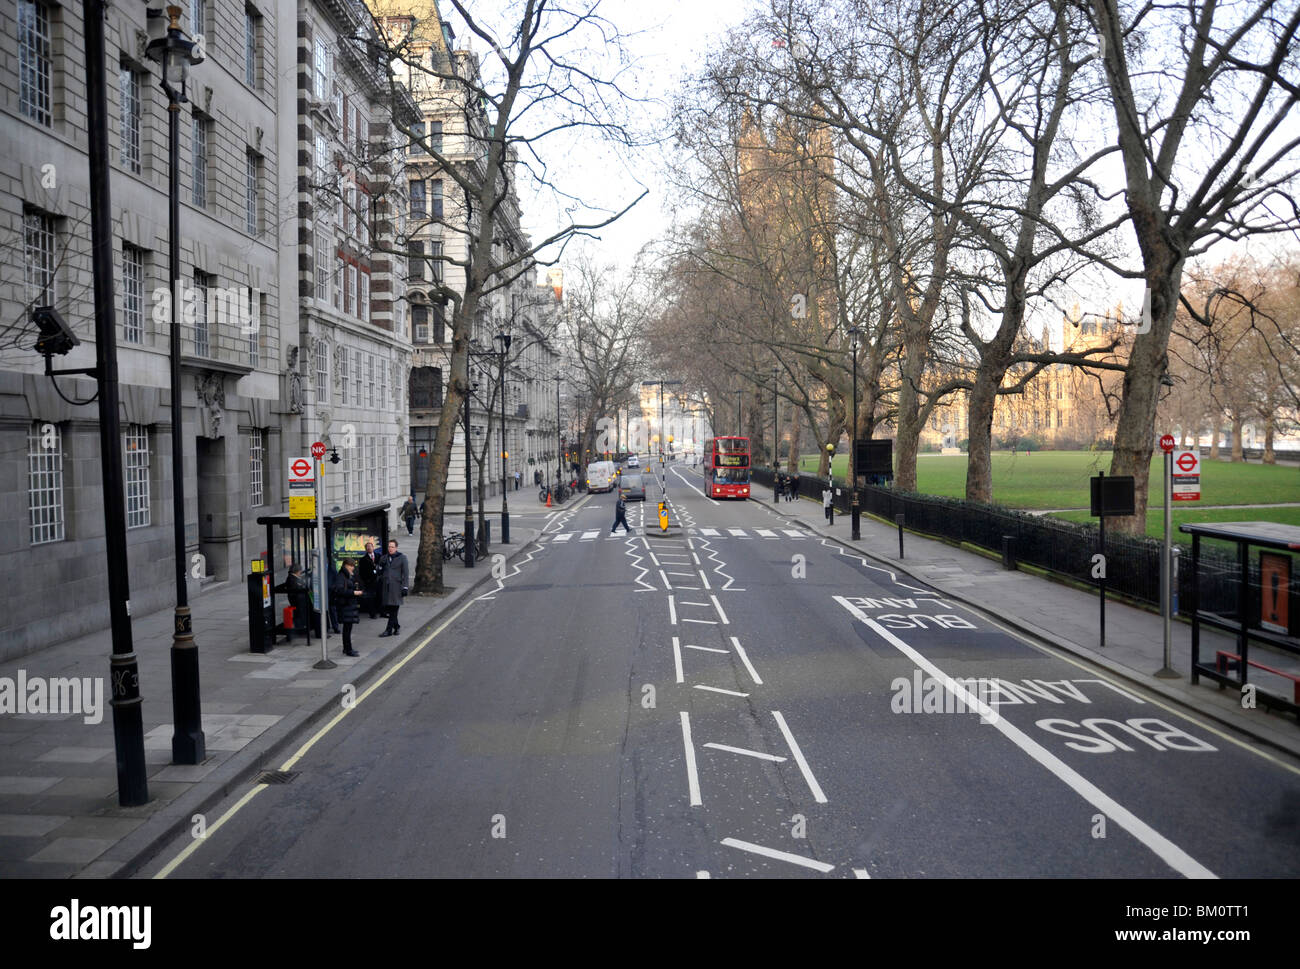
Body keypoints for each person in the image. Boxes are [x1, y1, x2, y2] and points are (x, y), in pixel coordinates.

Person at [330, 558, 363, 657]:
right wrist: (353, 592)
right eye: (351, 566)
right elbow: (339, 590)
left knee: (348, 629)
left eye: (353, 566)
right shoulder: (341, 576)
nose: (353, 568)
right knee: (347, 629)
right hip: (345, 606)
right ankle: (348, 650)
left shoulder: (347, 575)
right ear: (346, 566)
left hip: (349, 606)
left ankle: (346, 648)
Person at [378, 539, 409, 637]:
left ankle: (388, 630)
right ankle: (397, 626)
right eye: (389, 547)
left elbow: (406, 574)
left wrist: (405, 587)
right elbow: (379, 571)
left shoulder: (402, 558)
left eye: (392, 547)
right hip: (386, 588)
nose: (390, 549)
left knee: (394, 609)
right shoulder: (384, 558)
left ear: (396, 548)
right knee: (390, 610)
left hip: (397, 588)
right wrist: (379, 567)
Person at [357, 540, 381, 619]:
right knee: (371, 598)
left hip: (379, 581)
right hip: (369, 582)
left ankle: (381, 611)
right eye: (367, 547)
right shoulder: (363, 559)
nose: (369, 548)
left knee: (379, 596)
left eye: (370, 547)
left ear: (373, 547)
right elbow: (361, 572)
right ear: (366, 549)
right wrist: (366, 580)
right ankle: (372, 613)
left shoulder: (378, 556)